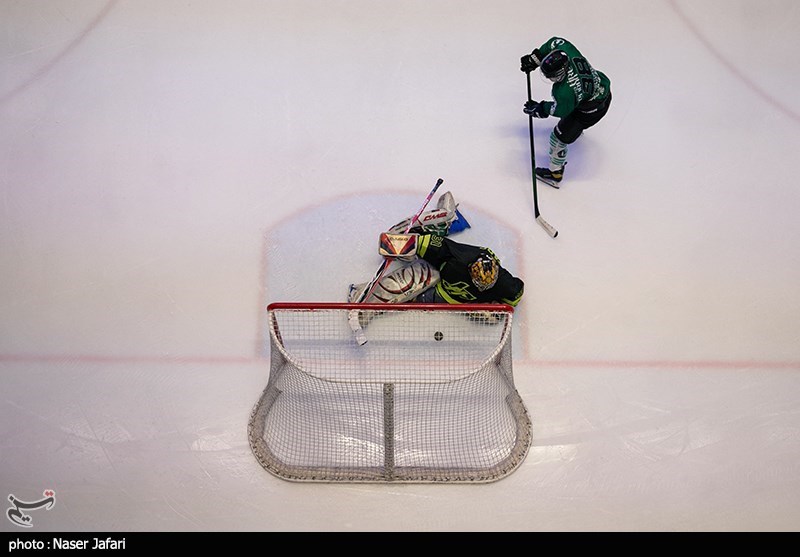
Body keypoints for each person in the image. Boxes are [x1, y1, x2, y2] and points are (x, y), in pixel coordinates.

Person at [520, 36, 612, 188]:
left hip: (591, 111)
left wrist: (540, 108)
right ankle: (576, 130)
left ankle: (555, 174)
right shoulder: (567, 50)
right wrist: (535, 59)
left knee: (557, 139)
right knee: (575, 110)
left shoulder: (564, 92)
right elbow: (553, 41)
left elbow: (561, 110)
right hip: (603, 89)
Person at [348, 232, 524, 308]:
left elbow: (516, 295)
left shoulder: (504, 283)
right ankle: (363, 296)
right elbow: (432, 243)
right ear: (471, 270)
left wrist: (497, 309)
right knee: (415, 278)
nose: (481, 288)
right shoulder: (459, 259)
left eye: (485, 286)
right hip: (441, 275)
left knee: (415, 299)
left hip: (448, 298)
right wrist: (399, 244)